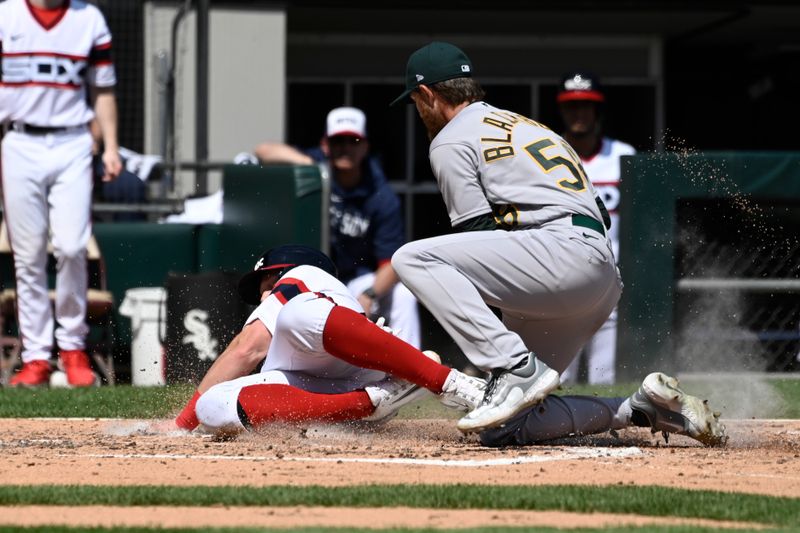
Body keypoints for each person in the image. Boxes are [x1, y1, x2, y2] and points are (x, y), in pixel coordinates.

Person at [388, 42, 725, 448]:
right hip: (597, 273)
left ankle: (513, 365)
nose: (418, 112)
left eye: (416, 102)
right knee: (506, 428)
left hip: (558, 257)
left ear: (427, 95)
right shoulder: (528, 126)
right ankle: (643, 409)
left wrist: (496, 345)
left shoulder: (449, 140)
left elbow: (476, 238)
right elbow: (598, 211)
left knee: (413, 258)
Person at [170, 244, 486, 435]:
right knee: (213, 406)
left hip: (352, 355)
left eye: (265, 282)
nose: (262, 296)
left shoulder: (304, 276)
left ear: (282, 273)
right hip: (340, 391)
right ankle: (373, 401)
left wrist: (181, 424)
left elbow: (246, 349)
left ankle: (451, 383)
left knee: (298, 313)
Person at [0, 0, 122, 387]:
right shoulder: (7, 15)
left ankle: (72, 347)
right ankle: (36, 356)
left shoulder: (89, 18)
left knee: (71, 246)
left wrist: (112, 146)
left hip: (73, 142)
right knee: (28, 252)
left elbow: (103, 89)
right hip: (19, 140)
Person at [254, 107, 421, 349]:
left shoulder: (380, 193)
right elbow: (263, 151)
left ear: (364, 146)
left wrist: (370, 295)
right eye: (337, 141)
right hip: (309, 274)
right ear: (325, 144)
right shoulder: (317, 166)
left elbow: (391, 262)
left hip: (355, 281)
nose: (345, 147)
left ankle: (415, 372)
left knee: (404, 294)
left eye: (353, 141)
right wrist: (308, 165)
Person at [556, 72, 636, 386]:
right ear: (562, 110)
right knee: (558, 379)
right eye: (572, 106)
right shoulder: (549, 152)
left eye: (586, 106)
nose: (579, 114)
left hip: (611, 275)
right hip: (560, 273)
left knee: (606, 380)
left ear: (598, 110)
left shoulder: (623, 155)